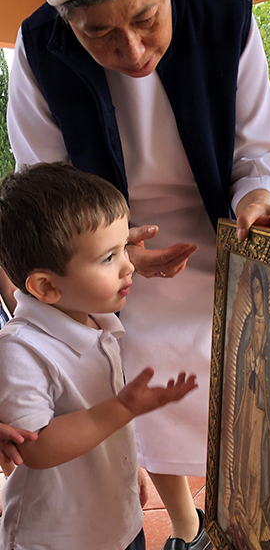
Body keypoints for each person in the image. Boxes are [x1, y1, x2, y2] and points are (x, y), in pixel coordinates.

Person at [7, 0, 270, 547]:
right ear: (65, 20)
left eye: (145, 19)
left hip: (220, 228)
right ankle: (186, 527)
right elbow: (45, 179)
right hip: (104, 244)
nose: (132, 52)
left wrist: (257, 198)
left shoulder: (227, 15)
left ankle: (241, 511)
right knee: (129, 378)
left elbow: (256, 149)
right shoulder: (36, 45)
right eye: (100, 33)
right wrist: (118, 250)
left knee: (247, 381)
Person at [0, 162, 197, 550]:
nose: (129, 265)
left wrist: (127, 466)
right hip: (58, 537)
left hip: (114, 522)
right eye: (109, 258)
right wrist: (122, 409)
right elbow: (34, 448)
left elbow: (102, 425)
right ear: (46, 286)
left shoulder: (97, 324)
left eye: (124, 248)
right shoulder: (22, 349)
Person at [227, 266, 270, 550]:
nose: (257, 295)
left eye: (261, 289)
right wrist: (248, 361)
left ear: (267, 293)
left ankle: (256, 521)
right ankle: (240, 515)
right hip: (246, 404)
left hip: (261, 407)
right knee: (243, 455)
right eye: (254, 290)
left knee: (255, 465)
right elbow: (239, 359)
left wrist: (263, 369)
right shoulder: (249, 322)